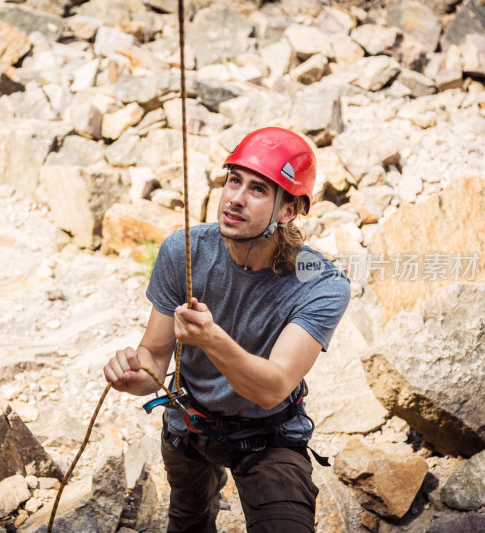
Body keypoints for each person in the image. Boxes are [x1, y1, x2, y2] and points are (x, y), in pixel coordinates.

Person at [103, 127, 351, 533]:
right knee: (188, 523)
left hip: (269, 434)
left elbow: (273, 387)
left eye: (257, 190)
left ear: (287, 210)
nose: (235, 197)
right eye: (233, 180)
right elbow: (154, 355)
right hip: (191, 423)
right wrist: (135, 374)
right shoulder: (184, 251)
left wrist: (212, 338)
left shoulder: (322, 285)